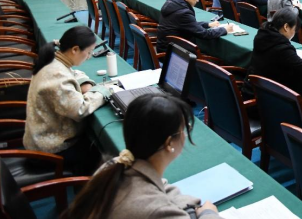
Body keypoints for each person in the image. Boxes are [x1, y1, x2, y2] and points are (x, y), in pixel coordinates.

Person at [62, 93, 223, 219]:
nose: (185, 135)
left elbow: (160, 185)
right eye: (183, 129)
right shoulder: (158, 211)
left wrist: (188, 203)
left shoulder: (114, 165)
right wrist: (208, 213)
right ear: (169, 143)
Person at [24, 26, 110, 174]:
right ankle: (88, 185)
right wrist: (104, 90)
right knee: (103, 150)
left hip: (41, 139)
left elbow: (72, 72)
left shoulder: (53, 60)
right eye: (89, 52)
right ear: (75, 49)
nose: (89, 57)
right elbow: (80, 110)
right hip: (48, 152)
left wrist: (84, 82)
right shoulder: (57, 75)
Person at [242, 8, 302, 100]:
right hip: (266, 98)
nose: (294, 33)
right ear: (286, 27)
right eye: (294, 29)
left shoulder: (261, 35)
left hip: (251, 89)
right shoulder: (282, 48)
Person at [156, 0, 233, 53]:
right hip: (173, 54)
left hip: (166, 48)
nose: (198, 0)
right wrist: (224, 29)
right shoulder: (183, 13)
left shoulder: (173, 3)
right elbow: (204, 34)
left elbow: (188, 24)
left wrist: (208, 24)